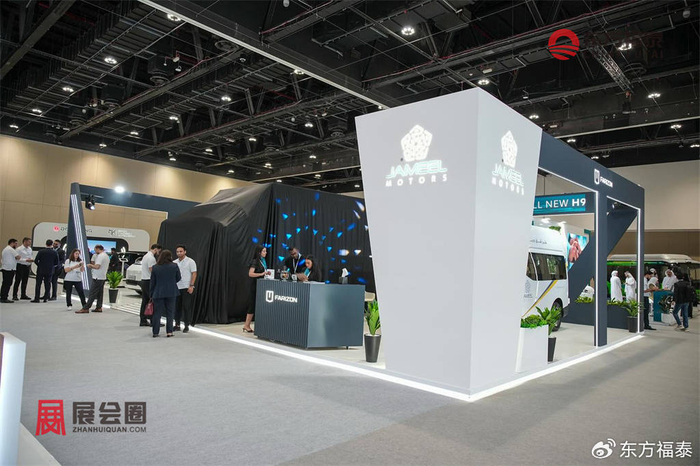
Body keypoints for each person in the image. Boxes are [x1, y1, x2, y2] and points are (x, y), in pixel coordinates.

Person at [149, 249, 181, 338]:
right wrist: (171, 282)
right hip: (171, 292)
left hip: (158, 292)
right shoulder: (174, 266)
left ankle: (155, 332)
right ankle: (169, 332)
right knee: (170, 313)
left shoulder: (155, 267)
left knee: (157, 313)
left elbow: (152, 282)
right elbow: (178, 278)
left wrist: (151, 294)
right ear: (170, 257)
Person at [245, 245, 272, 333]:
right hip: (254, 285)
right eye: (264, 251)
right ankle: (246, 325)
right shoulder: (255, 261)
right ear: (259, 252)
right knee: (252, 305)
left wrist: (266, 273)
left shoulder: (263, 261)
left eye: (266, 251)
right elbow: (250, 274)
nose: (266, 253)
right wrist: (261, 274)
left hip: (261, 285)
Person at [75, 244, 109, 313]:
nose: (95, 251)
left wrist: (90, 265)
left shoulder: (100, 256)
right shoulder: (106, 256)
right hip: (102, 277)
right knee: (100, 293)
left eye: (95, 250)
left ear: (98, 249)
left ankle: (86, 308)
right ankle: (99, 307)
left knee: (92, 293)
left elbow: (97, 266)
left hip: (97, 277)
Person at [173, 245, 197, 333]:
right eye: (177, 252)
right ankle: (177, 324)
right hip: (177, 287)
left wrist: (191, 285)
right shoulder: (174, 262)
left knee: (186, 307)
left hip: (186, 287)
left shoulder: (190, 261)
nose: (179, 253)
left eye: (181, 251)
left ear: (185, 252)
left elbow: (194, 273)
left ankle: (186, 325)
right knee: (177, 307)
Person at [139, 244, 162, 327]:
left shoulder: (145, 256)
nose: (158, 253)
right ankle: (153, 321)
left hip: (144, 280)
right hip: (149, 281)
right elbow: (152, 269)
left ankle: (143, 320)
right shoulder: (151, 258)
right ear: (156, 249)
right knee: (153, 301)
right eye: (158, 251)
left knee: (145, 301)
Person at [1, 238, 21, 303]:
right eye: (16, 243)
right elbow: (18, 257)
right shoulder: (11, 249)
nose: (16, 245)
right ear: (12, 243)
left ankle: (2, 296)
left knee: (4, 283)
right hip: (9, 269)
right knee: (8, 283)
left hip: (5, 268)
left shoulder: (5, 249)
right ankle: (4, 297)